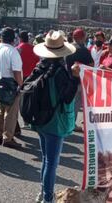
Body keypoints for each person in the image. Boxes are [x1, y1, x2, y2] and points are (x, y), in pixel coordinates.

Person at [32, 30, 78, 203]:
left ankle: (43, 193)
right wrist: (74, 78)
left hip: (41, 119)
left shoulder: (40, 66)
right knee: (51, 162)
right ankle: (47, 198)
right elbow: (67, 97)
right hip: (54, 121)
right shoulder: (60, 71)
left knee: (46, 159)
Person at [0, 27, 23, 148]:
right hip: (11, 84)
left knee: (1, 109)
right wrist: (21, 85)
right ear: (13, 39)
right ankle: (8, 137)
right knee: (11, 113)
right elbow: (16, 72)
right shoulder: (13, 51)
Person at [65, 28, 94, 133]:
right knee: (76, 104)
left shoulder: (68, 48)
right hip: (79, 81)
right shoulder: (84, 50)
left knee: (68, 103)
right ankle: (72, 124)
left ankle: (67, 122)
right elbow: (91, 65)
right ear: (82, 38)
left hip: (68, 79)